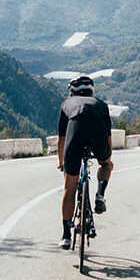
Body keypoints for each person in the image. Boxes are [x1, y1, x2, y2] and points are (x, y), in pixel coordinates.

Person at [57, 75, 114, 249]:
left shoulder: (67, 103)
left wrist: (61, 163)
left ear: (72, 92)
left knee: (70, 186)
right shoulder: (101, 105)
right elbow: (108, 137)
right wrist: (107, 160)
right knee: (105, 165)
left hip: (75, 134)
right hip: (97, 134)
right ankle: (100, 194)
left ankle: (66, 235)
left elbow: (61, 139)